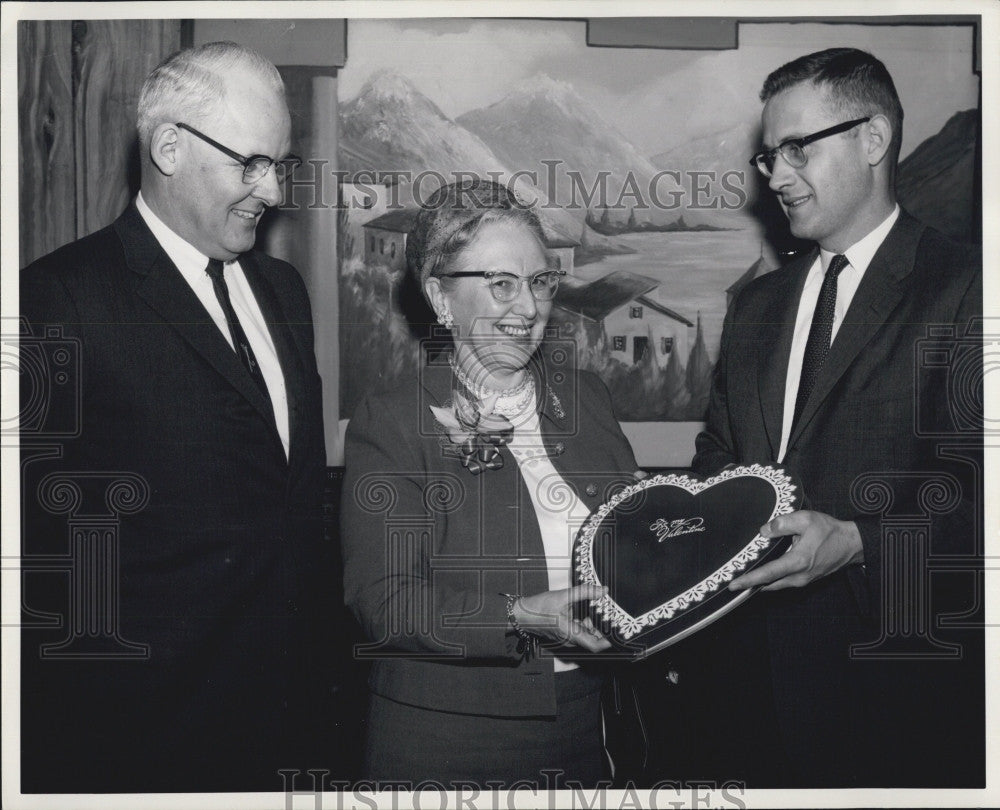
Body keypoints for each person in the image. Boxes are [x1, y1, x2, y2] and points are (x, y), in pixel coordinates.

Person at [637, 47, 983, 788]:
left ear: (873, 139)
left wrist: (859, 542)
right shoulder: (757, 306)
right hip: (742, 703)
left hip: (895, 706)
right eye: (769, 157)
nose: (777, 176)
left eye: (798, 149)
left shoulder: (965, 288)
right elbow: (719, 467)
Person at [20, 42, 336, 792]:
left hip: (294, 729)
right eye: (251, 162)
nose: (270, 189)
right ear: (168, 146)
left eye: (280, 165)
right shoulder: (57, 301)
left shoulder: (285, 292)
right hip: (138, 745)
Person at [340, 179, 639, 788]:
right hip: (449, 744)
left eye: (540, 282)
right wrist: (520, 615)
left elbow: (630, 549)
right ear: (441, 298)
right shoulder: (394, 419)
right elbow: (386, 602)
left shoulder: (587, 398)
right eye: (500, 284)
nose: (527, 309)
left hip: (588, 728)